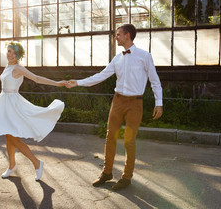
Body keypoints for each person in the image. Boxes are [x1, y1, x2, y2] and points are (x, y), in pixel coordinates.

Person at [66, 24, 163, 190]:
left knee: (129, 141)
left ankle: (126, 177)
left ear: (127, 35)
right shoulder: (117, 58)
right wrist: (78, 83)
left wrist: (159, 103)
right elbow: (101, 75)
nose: (115, 37)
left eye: (118, 34)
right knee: (110, 137)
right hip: (117, 101)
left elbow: (155, 81)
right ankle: (107, 172)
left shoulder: (144, 56)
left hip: (135, 103)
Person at [0, 41, 65, 181]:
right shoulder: (8, 66)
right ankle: (12, 165)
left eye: (14, 53)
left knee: (13, 137)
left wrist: (57, 83)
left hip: (12, 105)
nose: (11, 54)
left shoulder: (18, 68)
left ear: (18, 55)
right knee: (8, 136)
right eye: (9, 51)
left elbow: (36, 78)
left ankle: (37, 163)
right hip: (3, 102)